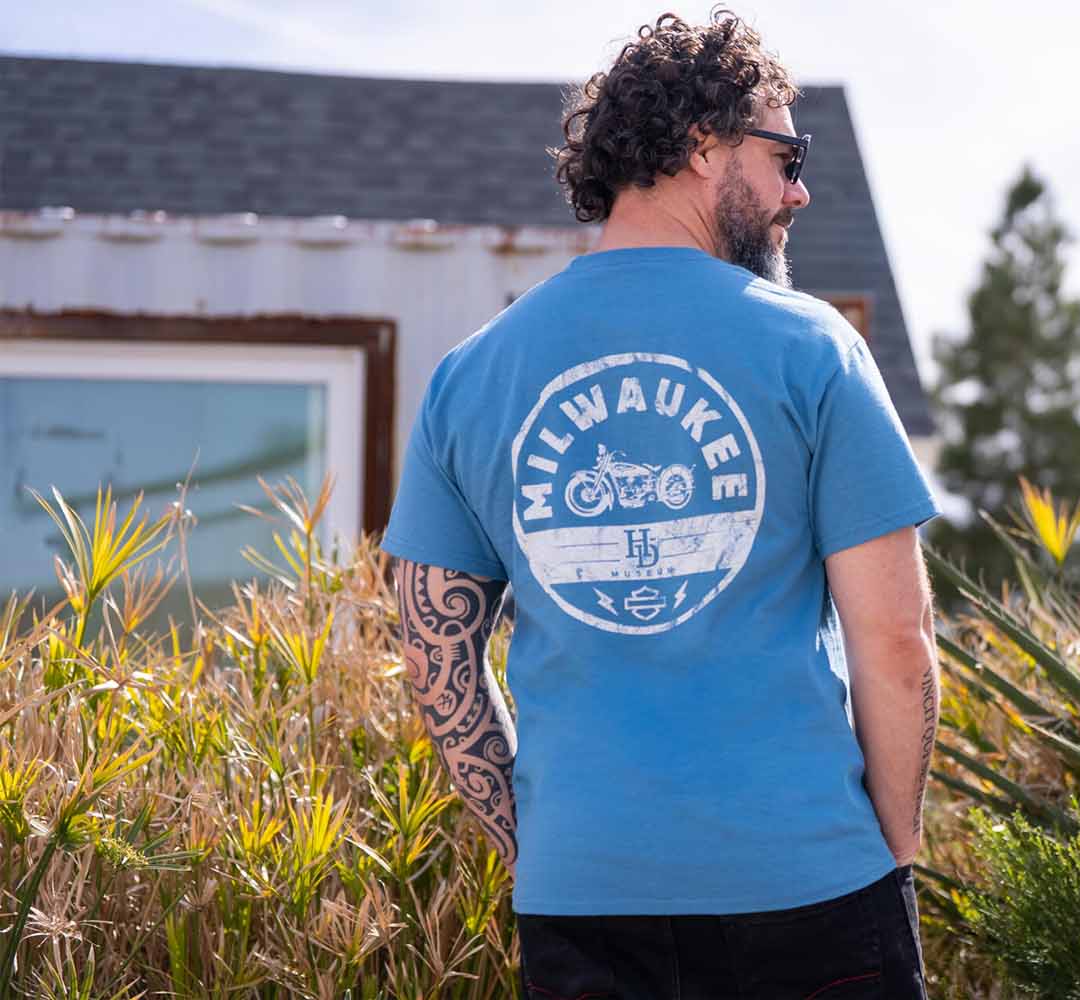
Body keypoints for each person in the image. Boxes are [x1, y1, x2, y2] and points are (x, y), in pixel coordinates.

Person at [382, 9, 942, 998]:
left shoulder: (471, 375)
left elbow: (435, 655)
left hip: (583, 901)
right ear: (702, 146)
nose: (800, 191)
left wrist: (537, 846)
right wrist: (890, 854)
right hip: (810, 886)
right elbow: (896, 645)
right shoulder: (814, 350)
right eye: (785, 157)